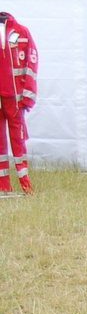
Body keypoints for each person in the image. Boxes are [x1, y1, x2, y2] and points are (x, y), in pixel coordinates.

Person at [0, 10, 38, 194]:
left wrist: (28, 96)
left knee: (18, 140)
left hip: (15, 100)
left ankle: (25, 184)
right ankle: (3, 186)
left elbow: (32, 64)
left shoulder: (22, 32)